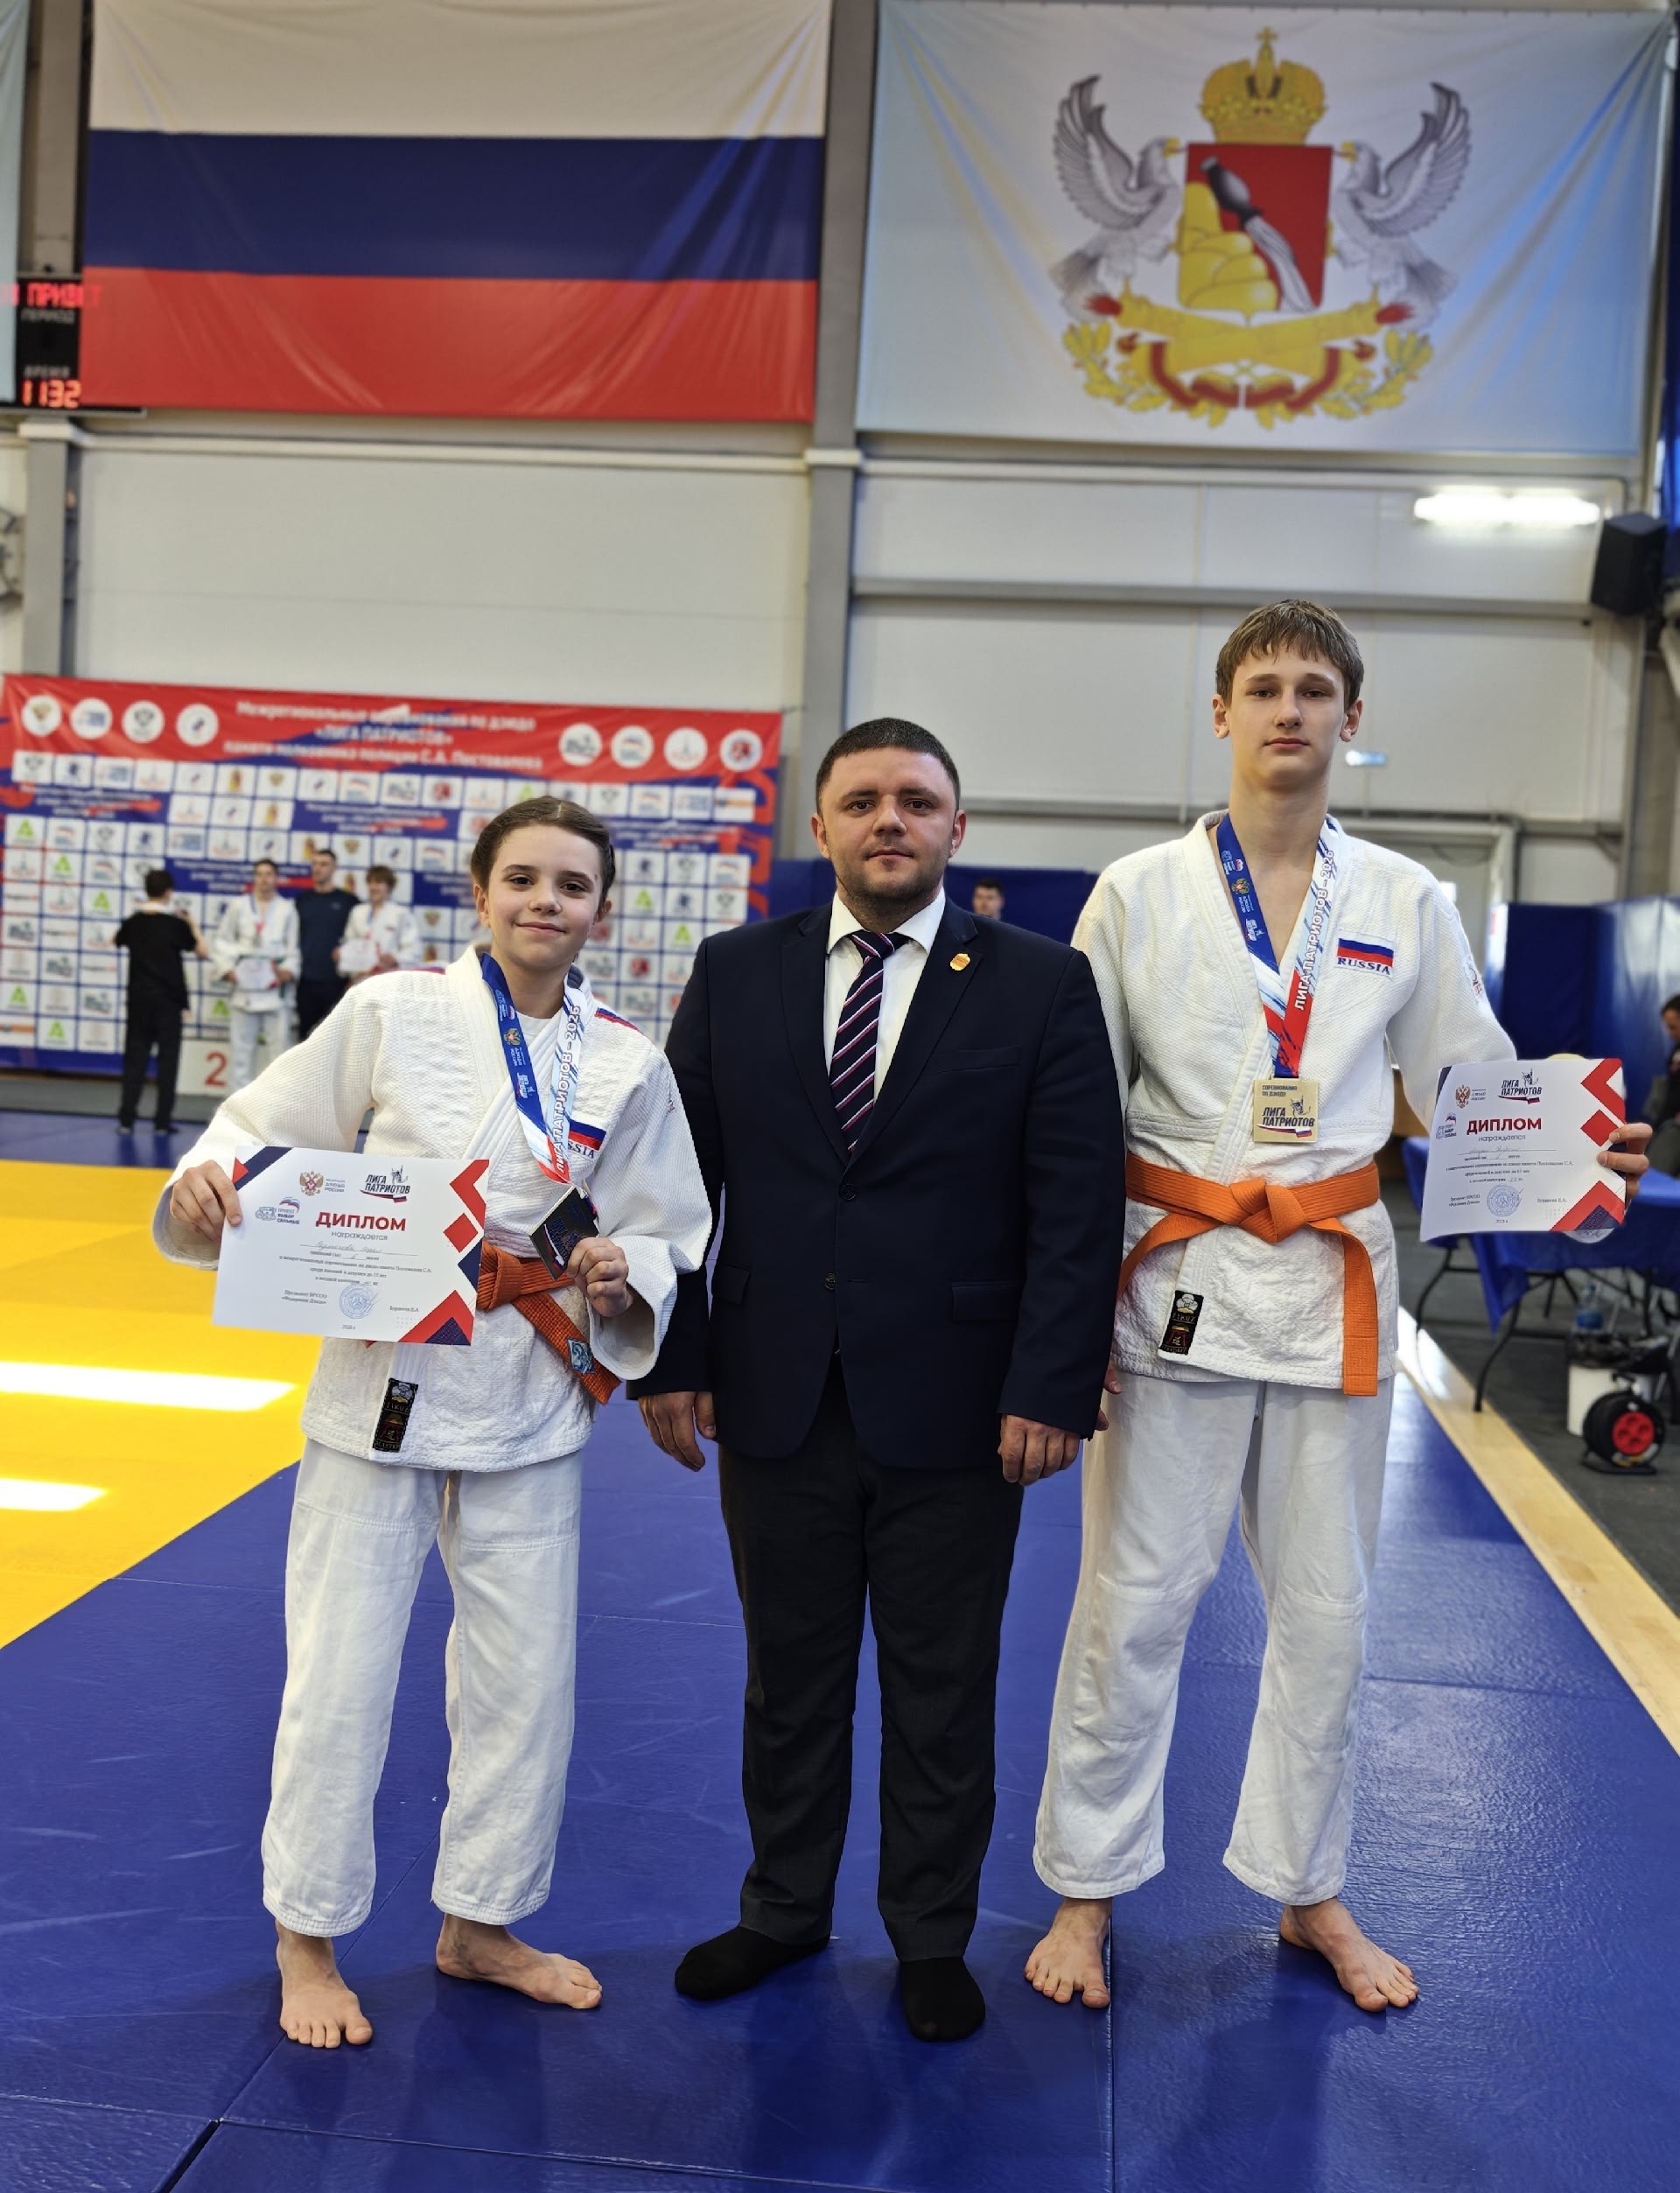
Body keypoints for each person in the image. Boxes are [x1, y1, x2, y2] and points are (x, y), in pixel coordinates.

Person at [1025, 599, 1651, 2017]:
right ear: (1222, 714)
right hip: (1172, 1275)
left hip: (1331, 1284)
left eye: (1315, 690)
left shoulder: (1407, 899)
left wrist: (1577, 1152)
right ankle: (1087, 1889)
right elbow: (1071, 1111)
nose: (1289, 711)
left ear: (1350, 722)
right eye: (1264, 688)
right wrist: (1061, 1323)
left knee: (1328, 1612)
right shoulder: (1137, 892)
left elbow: (1468, 1084)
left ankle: (1309, 1888)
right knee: (1136, 1601)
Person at [155, 796, 709, 2049]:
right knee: (340, 1668)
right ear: (480, 890)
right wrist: (210, 1181)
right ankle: (307, 1937)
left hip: (531, 1387)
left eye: (573, 885)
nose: (545, 901)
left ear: (601, 911)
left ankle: (482, 1921)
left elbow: (670, 1220)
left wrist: (629, 1267)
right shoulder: (394, 1010)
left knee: (524, 1679)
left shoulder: (628, 1061)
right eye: (523, 878)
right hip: (384, 1374)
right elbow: (262, 1127)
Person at [634, 718, 1126, 2042]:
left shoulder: (1037, 983)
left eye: (915, 800)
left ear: (958, 828)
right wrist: (672, 1355)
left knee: (942, 1686)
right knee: (787, 1678)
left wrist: (1052, 1383)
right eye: (862, 802)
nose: (888, 821)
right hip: (774, 1389)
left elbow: (1077, 1202)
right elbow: (672, 1184)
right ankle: (783, 1910)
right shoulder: (737, 971)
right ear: (822, 828)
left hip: (963, 1403)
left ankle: (929, 1934)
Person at [114, 869, 207, 1136]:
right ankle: (162, 1123)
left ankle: (126, 1120)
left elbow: (116, 940)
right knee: (168, 1064)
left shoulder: (133, 923)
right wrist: (191, 924)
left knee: (135, 1062)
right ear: (169, 892)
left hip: (139, 1003)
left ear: (146, 891)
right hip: (168, 1004)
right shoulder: (176, 925)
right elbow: (202, 951)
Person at [214, 858, 301, 1089]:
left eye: (269, 874)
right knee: (241, 1054)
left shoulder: (287, 909)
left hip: (275, 991)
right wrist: (227, 969)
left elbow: (293, 948)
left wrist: (288, 969)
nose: (264, 879)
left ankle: (275, 1107)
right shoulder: (239, 906)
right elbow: (222, 941)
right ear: (254, 878)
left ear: (276, 878)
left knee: (279, 1055)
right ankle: (237, 1108)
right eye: (260, 874)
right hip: (245, 989)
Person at [294, 849, 360, 1038]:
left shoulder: (348, 901)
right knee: (306, 1038)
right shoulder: (302, 900)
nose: (318, 868)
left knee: (336, 1038)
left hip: (337, 981)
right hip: (306, 980)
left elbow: (359, 939)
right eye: (314, 864)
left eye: (324, 864)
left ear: (334, 868)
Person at [335, 864, 421, 983]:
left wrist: (396, 959)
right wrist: (342, 954)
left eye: (379, 883)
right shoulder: (358, 911)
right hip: (360, 980)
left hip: (389, 981)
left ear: (389, 887)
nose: (373, 887)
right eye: (370, 883)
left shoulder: (401, 914)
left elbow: (413, 951)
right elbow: (349, 943)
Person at [1640, 995, 1680, 1176]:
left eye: (1673, 1027)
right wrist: (1657, 1125)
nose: (1670, 1033)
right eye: (1668, 1027)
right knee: (1652, 1173)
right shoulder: (1675, 1052)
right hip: (1670, 1123)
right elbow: (1671, 1094)